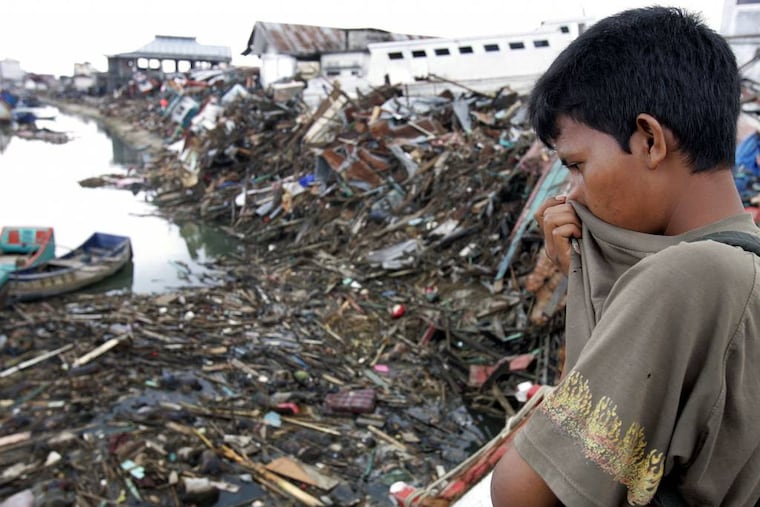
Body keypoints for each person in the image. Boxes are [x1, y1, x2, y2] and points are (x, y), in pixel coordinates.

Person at [490, 6, 760, 507]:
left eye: (576, 165)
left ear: (650, 140)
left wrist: (582, 278)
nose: (571, 195)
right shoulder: (744, 266)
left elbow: (523, 492)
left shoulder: (686, 277)